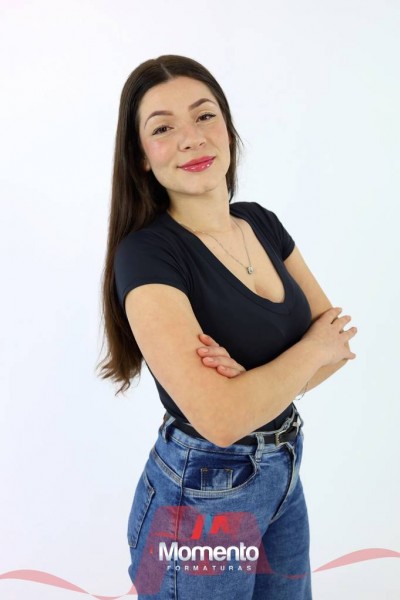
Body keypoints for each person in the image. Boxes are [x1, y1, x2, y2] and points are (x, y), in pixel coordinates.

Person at [97, 54, 357, 599]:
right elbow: (219, 420)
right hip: (201, 494)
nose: (191, 138)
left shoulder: (261, 223)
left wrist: (253, 386)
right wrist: (299, 357)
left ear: (229, 129)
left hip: (283, 470)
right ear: (141, 157)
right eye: (163, 128)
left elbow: (337, 349)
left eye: (204, 116)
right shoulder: (147, 255)